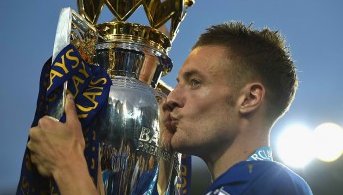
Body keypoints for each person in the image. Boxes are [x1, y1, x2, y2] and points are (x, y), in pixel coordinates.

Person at [28, 21, 313, 194]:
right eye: (178, 83)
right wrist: (154, 163)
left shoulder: (268, 184)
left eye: (196, 82)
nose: (172, 98)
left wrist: (67, 165)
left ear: (249, 99)